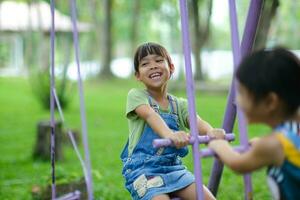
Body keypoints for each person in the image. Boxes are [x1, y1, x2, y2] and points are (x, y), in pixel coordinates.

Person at [120, 42, 225, 200]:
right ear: (138, 75)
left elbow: (196, 121)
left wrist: (211, 132)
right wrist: (170, 134)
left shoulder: (179, 104)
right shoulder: (136, 96)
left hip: (174, 169)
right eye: (145, 63)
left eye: (159, 60)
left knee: (207, 197)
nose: (153, 66)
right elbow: (150, 115)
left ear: (171, 67)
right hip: (144, 171)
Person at [208, 47, 300, 199]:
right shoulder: (281, 141)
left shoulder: (273, 145)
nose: (237, 101)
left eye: (242, 94)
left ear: (270, 102)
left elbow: (239, 164)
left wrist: (219, 146)